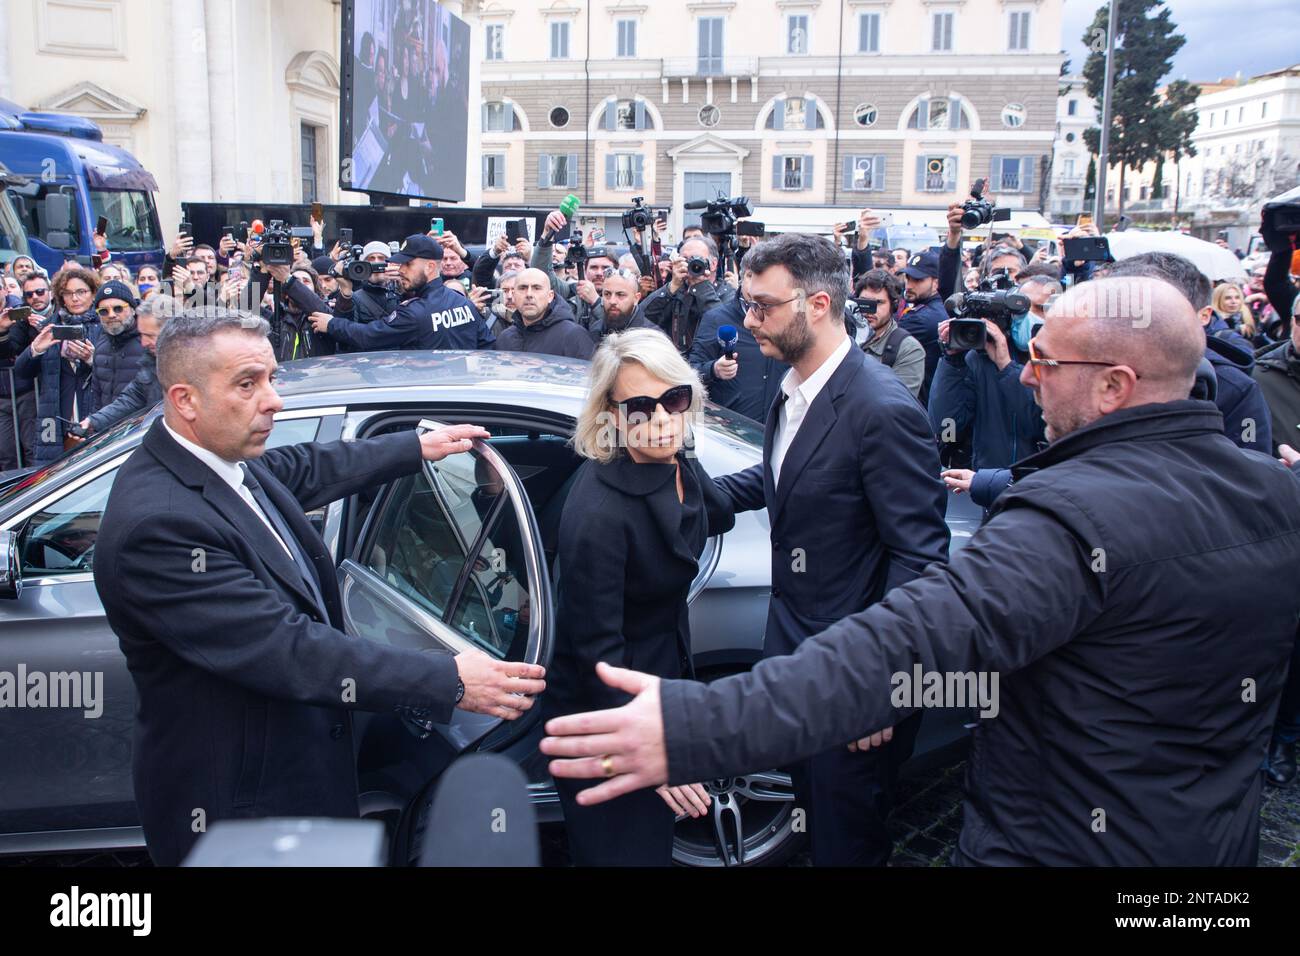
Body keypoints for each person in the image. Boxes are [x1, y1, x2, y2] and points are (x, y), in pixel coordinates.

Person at [540, 276, 1300, 867]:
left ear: (1115, 385)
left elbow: (907, 642)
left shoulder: (1066, 520)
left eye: (1042, 359)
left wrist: (697, 727)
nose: (1024, 375)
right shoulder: (1277, 494)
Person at [93, 306, 546, 866]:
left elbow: (304, 468)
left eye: (271, 378)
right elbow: (288, 650)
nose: (273, 400)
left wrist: (413, 447)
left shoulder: (218, 459)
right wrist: (448, 680)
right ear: (185, 400)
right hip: (243, 808)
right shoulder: (159, 526)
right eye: (247, 384)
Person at [699, 233, 949, 866]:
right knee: (811, 820)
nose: (748, 319)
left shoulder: (881, 408)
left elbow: (920, 561)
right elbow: (784, 474)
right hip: (797, 654)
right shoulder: (795, 383)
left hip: (853, 680)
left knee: (847, 842)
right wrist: (689, 497)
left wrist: (882, 689)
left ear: (815, 304)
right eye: (746, 304)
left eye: (763, 306)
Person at [549, 329, 734, 865]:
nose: (660, 418)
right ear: (610, 411)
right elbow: (596, 656)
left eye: (674, 399)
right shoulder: (599, 516)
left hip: (660, 673)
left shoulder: (672, 455)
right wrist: (650, 753)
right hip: (607, 716)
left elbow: (712, 509)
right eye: (640, 405)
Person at [1106, 253, 1271, 454]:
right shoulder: (1081, 365)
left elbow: (1249, 470)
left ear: (1203, 316)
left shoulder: (1236, 389)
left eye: (1157, 310)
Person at [311, 235, 494, 353]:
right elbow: (487, 346)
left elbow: (368, 336)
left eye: (408, 264)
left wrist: (332, 324)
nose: (401, 269)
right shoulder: (463, 303)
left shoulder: (415, 312)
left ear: (430, 267)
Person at [14, 266, 101, 466]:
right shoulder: (50, 326)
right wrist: (35, 349)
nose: (75, 298)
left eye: (81, 292)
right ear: (60, 297)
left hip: (92, 412)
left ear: (92, 293)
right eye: (68, 293)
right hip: (55, 417)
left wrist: (91, 359)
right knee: (54, 475)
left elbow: (115, 371)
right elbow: (22, 371)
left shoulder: (104, 326)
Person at [688, 285, 788, 423]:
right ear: (742, 277)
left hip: (781, 428)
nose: (755, 282)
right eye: (750, 274)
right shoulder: (717, 319)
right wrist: (714, 369)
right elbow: (691, 372)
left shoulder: (788, 319)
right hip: (733, 431)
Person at [81, 295, 179, 435]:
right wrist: (95, 421)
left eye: (150, 336)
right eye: (141, 335)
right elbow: (134, 396)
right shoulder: (151, 360)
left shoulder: (198, 366)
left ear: (172, 331)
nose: (144, 342)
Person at [640, 237, 724, 355]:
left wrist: (702, 288)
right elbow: (644, 317)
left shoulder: (725, 292)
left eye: (697, 258)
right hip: (675, 363)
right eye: (685, 259)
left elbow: (723, 325)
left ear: (713, 264)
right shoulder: (676, 290)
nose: (692, 264)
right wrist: (672, 286)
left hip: (708, 363)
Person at [853, 269, 925, 400]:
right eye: (865, 302)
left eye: (879, 303)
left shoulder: (907, 349)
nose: (870, 310)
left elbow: (897, 404)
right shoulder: (843, 336)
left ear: (894, 305)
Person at [494, 268, 595, 360]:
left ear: (550, 296)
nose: (529, 294)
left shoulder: (574, 337)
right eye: (523, 288)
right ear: (514, 295)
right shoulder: (505, 339)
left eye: (536, 288)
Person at [88, 280, 148, 413]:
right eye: (103, 311)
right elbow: (97, 397)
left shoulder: (148, 342)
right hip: (108, 429)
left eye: (118, 308)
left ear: (133, 310)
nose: (111, 315)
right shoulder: (101, 343)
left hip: (140, 428)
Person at [898, 250, 947, 403]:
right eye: (908, 278)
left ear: (936, 283)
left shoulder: (921, 318)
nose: (909, 285)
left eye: (918, 280)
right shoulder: (933, 307)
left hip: (921, 400)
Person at [587, 269, 657, 341]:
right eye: (607, 294)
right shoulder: (595, 330)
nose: (612, 301)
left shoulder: (651, 338)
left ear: (636, 298)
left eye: (620, 295)